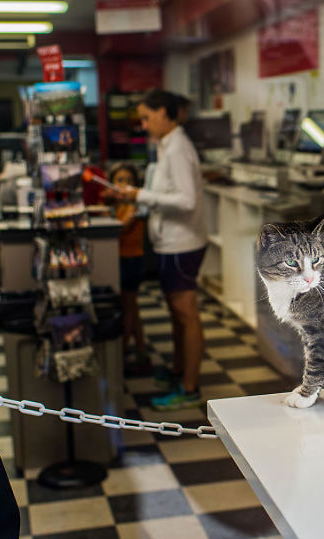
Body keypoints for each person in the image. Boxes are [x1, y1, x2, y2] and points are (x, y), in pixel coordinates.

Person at [119, 89, 207, 411]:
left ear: (164, 114)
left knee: (186, 313)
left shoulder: (178, 149)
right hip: (170, 242)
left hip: (183, 243)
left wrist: (141, 195)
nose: (143, 125)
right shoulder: (164, 147)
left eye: (146, 117)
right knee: (176, 313)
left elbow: (187, 200)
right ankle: (178, 371)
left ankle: (190, 387)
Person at [107, 163, 151, 375]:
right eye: (119, 180)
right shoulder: (117, 204)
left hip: (131, 260)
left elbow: (121, 226)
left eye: (128, 181)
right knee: (131, 307)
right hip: (122, 259)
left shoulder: (135, 206)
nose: (124, 185)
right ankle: (140, 349)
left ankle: (125, 350)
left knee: (128, 307)